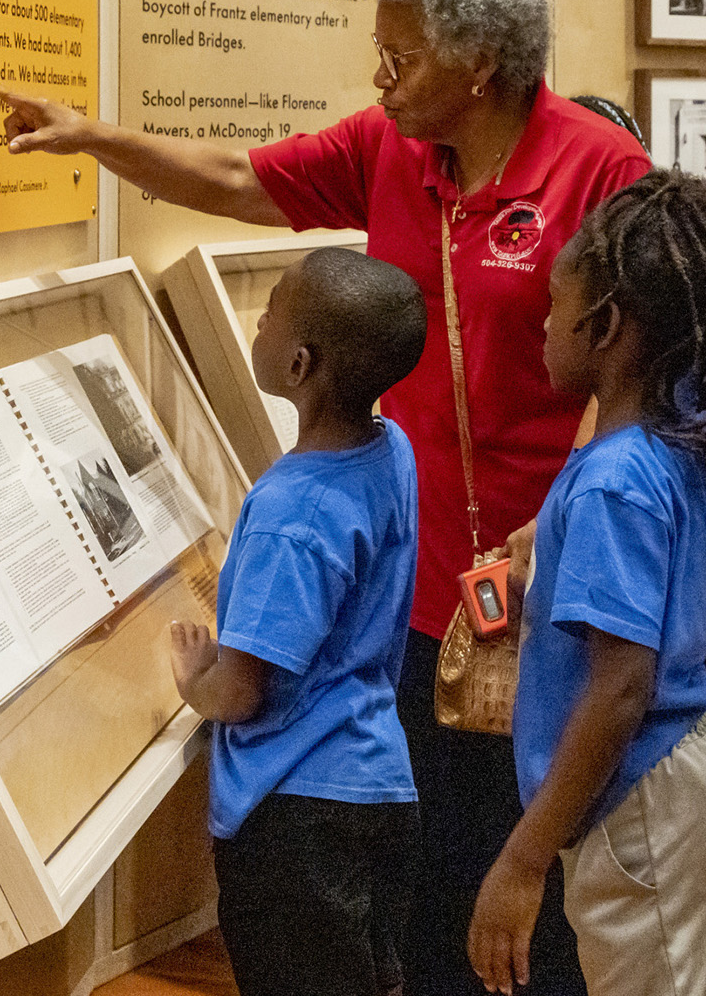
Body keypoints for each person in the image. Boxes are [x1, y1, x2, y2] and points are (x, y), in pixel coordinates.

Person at [0, 0, 648, 995]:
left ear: (481, 63)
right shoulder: (392, 146)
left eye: (402, 56)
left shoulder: (599, 165)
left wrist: (564, 510)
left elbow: (639, 361)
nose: (378, 76)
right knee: (436, 866)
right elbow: (241, 178)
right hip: (423, 581)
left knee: (531, 866)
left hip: (552, 574)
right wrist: (90, 135)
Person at [466, 171, 706, 995]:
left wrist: (522, 859)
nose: (540, 327)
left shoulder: (613, 482)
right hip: (684, 773)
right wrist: (662, 696)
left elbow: (618, 690)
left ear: (604, 326)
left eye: (551, 309)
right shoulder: (691, 443)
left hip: (643, 803)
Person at [167, 247, 427, 996]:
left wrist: (195, 681)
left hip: (298, 819)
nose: (258, 319)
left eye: (272, 309)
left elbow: (242, 693)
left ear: (299, 366)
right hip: (379, 786)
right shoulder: (394, 450)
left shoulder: (290, 513)